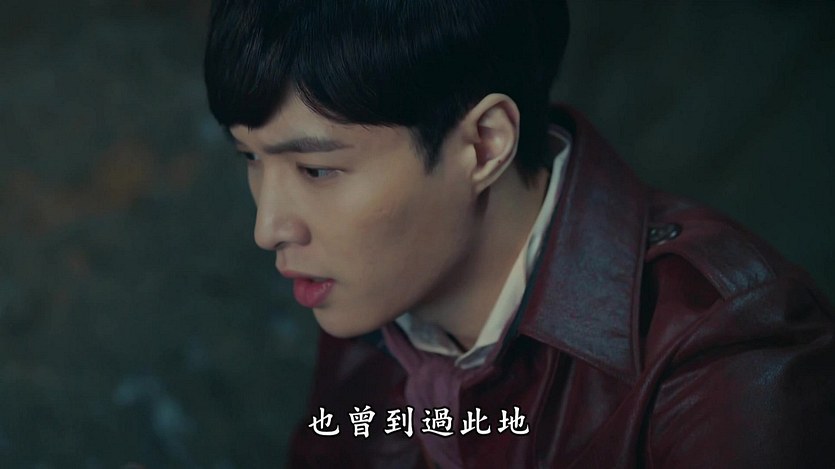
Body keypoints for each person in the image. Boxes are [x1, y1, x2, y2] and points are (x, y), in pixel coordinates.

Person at [203, 1, 835, 467]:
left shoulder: (725, 349)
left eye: (316, 169)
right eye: (251, 159)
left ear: (484, 144)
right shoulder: (367, 296)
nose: (269, 227)